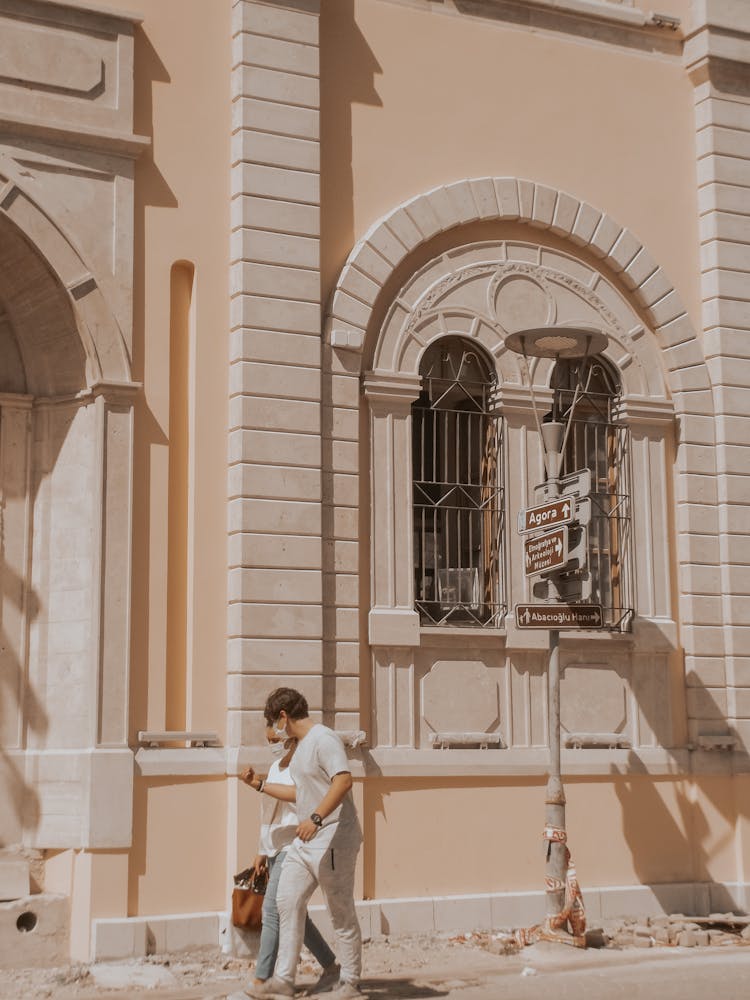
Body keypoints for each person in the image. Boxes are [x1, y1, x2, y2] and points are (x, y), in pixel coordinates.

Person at [245, 688, 363, 1000]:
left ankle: (350, 982)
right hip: (307, 840)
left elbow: (343, 780)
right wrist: (259, 784)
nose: (274, 730)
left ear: (283, 716)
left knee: (341, 912)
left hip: (335, 836)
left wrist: (316, 817)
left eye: (274, 722)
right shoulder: (300, 748)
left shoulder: (324, 739)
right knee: (286, 900)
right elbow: (300, 792)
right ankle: (283, 979)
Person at [240, 727, 340, 992]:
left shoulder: (303, 767)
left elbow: (300, 796)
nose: (271, 744)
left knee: (272, 911)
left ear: (289, 737)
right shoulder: (275, 766)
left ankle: (262, 980)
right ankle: (332, 968)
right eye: (268, 740)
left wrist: (260, 785)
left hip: (294, 844)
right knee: (295, 915)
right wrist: (262, 850)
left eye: (275, 740)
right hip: (274, 847)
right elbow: (270, 811)